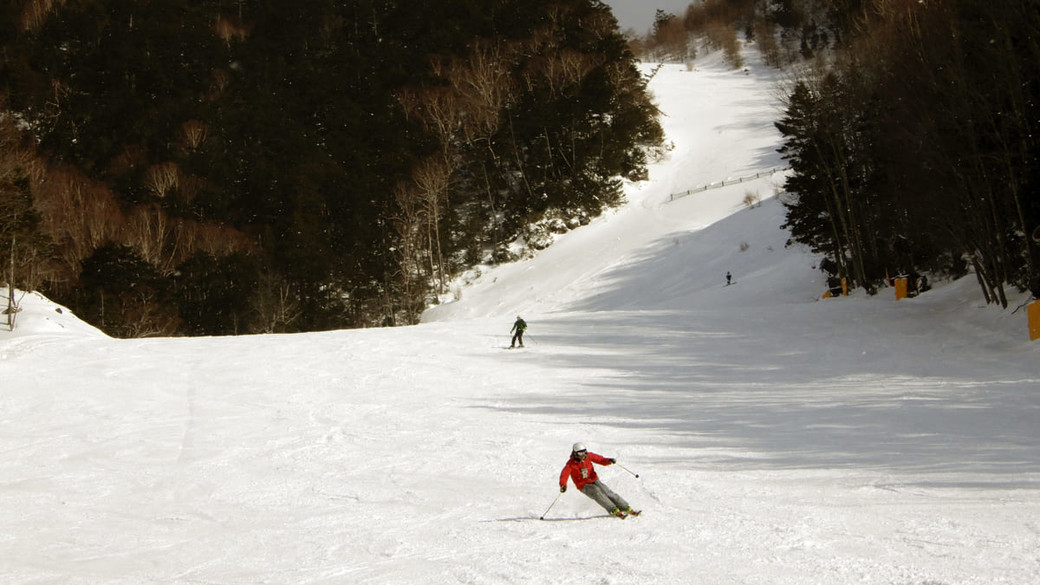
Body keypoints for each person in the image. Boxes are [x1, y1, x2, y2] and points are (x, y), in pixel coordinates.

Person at [558, 442, 638, 518]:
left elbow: (600, 460)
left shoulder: (589, 456)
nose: (583, 455)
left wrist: (609, 461)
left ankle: (625, 507)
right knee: (597, 491)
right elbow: (564, 475)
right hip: (583, 485)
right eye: (580, 454)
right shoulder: (570, 464)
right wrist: (563, 485)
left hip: (594, 479)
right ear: (575, 454)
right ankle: (612, 509)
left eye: (585, 452)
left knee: (606, 491)